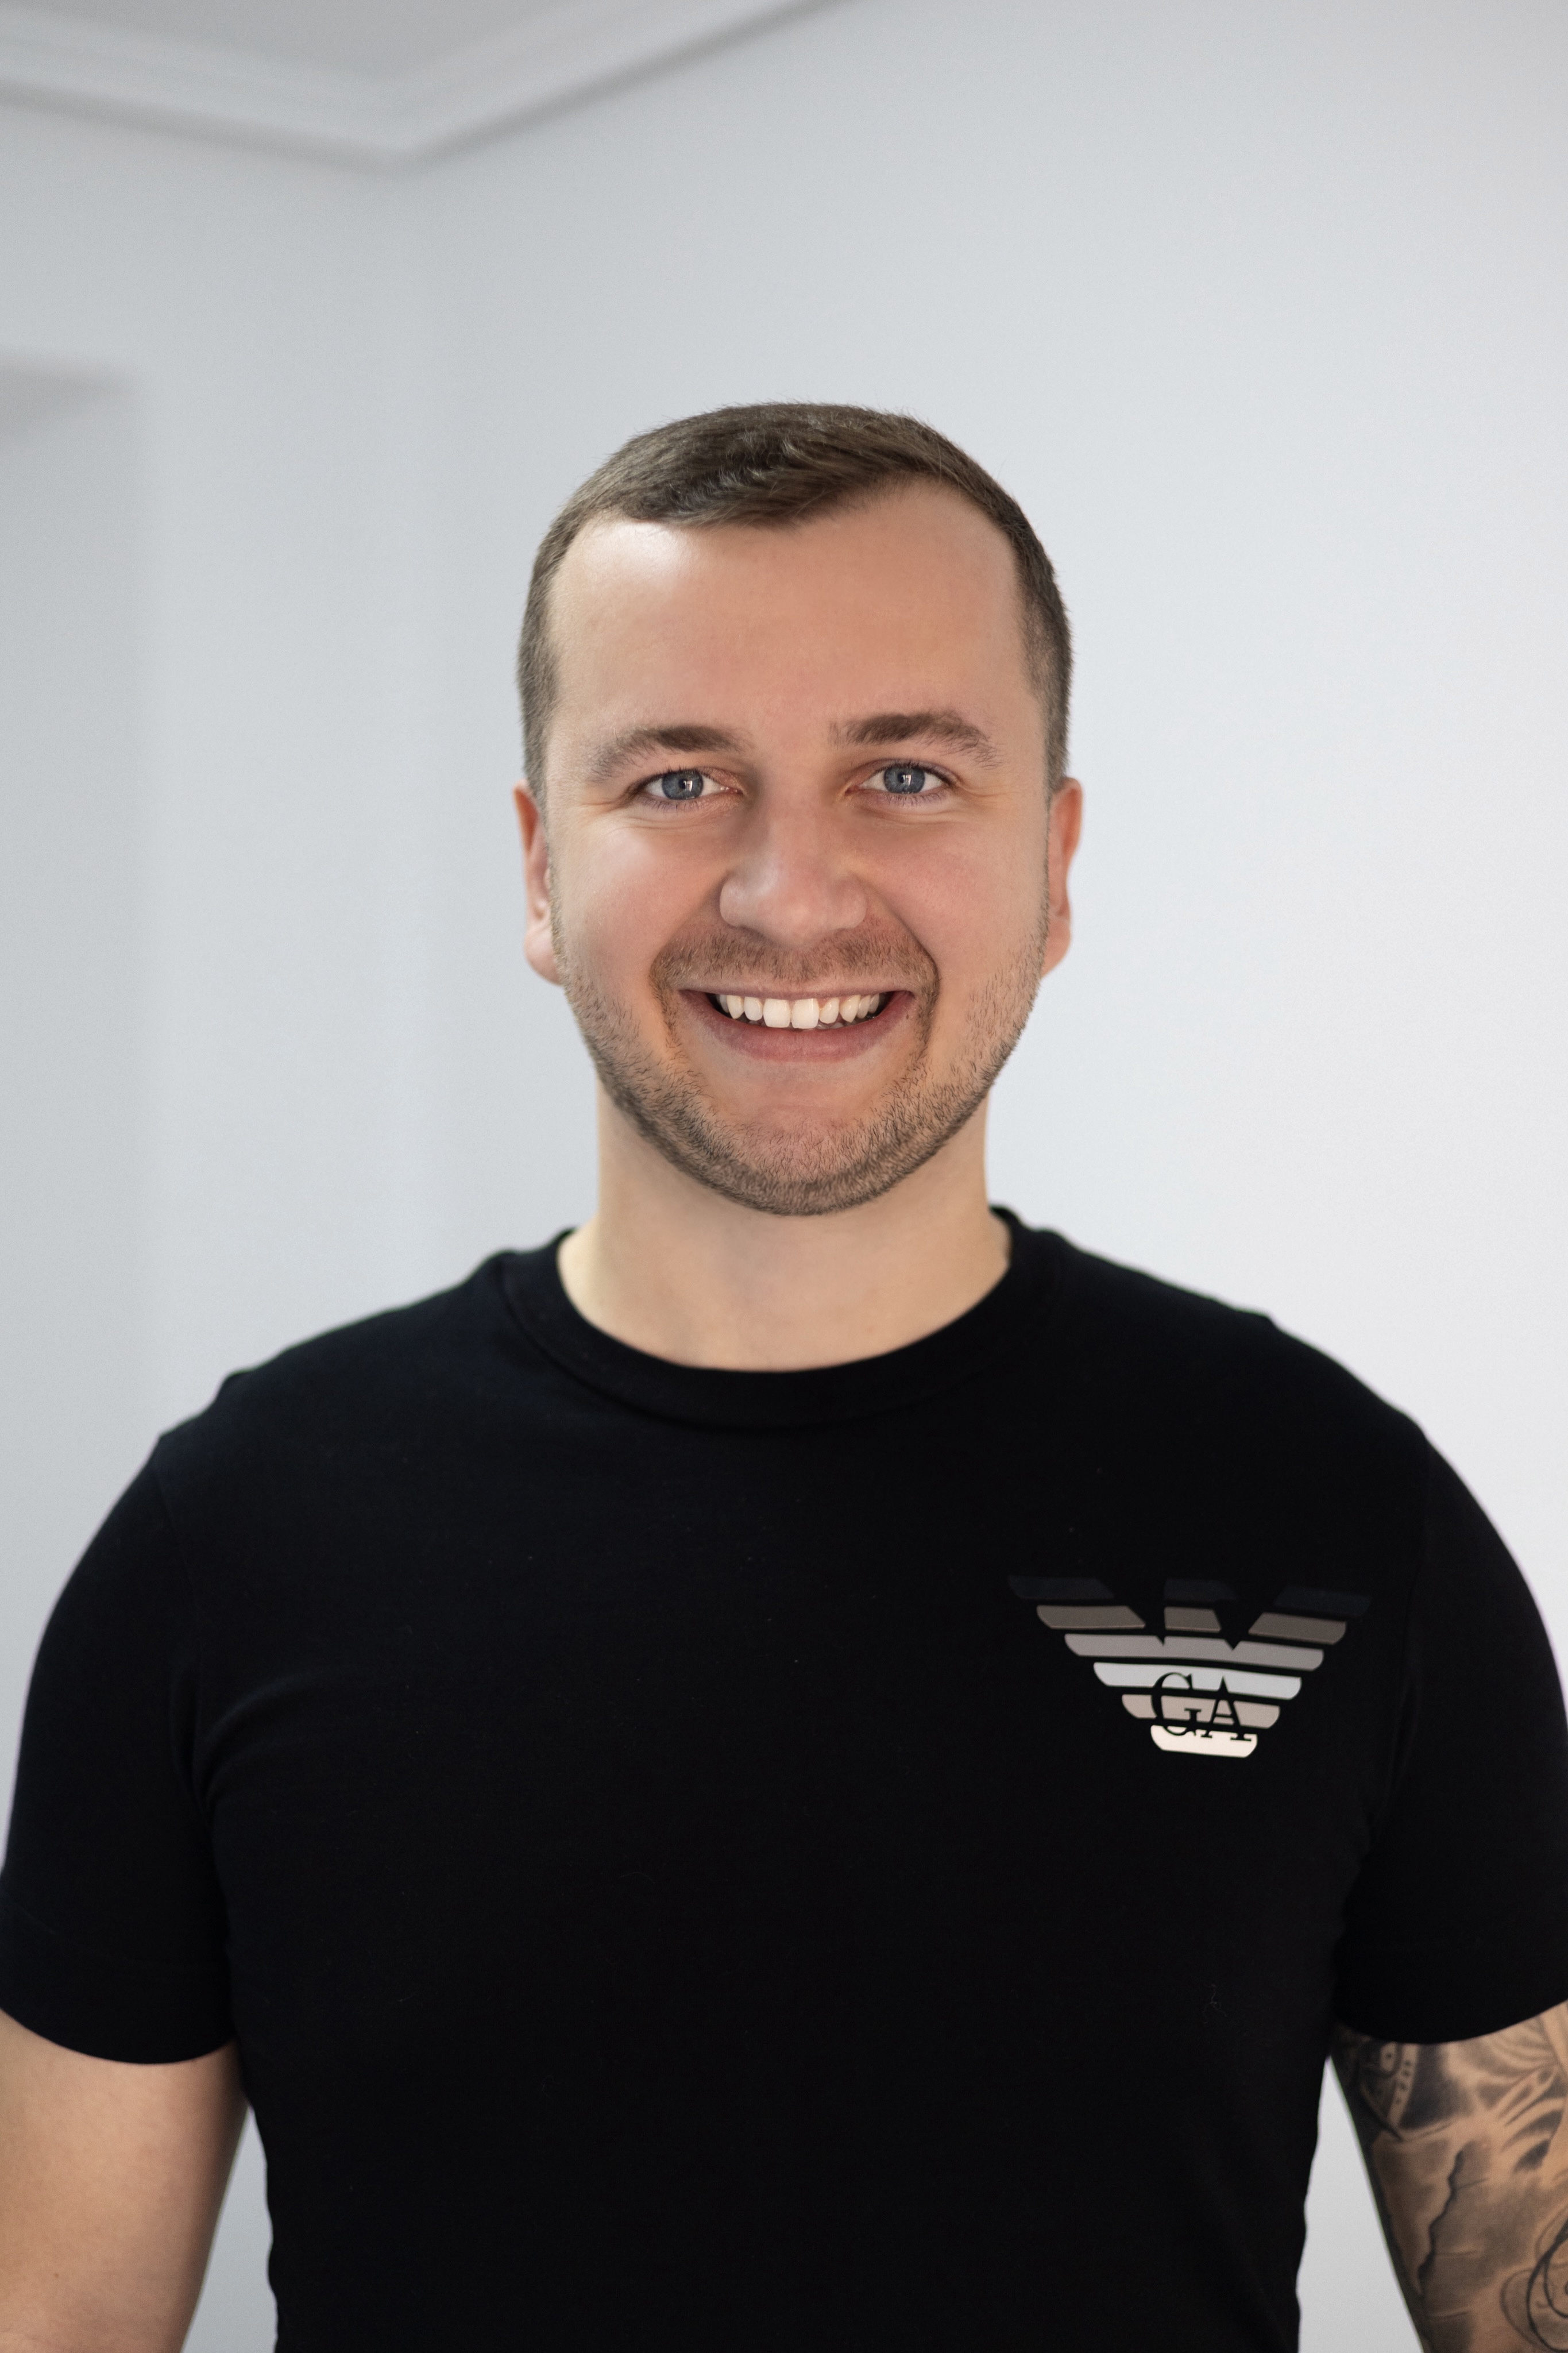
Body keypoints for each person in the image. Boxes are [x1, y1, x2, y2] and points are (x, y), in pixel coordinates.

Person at [1, 404, 1566, 2353]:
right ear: (539, 867)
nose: (791, 894)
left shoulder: (1335, 1517)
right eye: (679, 780)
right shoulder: (230, 1542)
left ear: (1054, 860)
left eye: (904, 774)